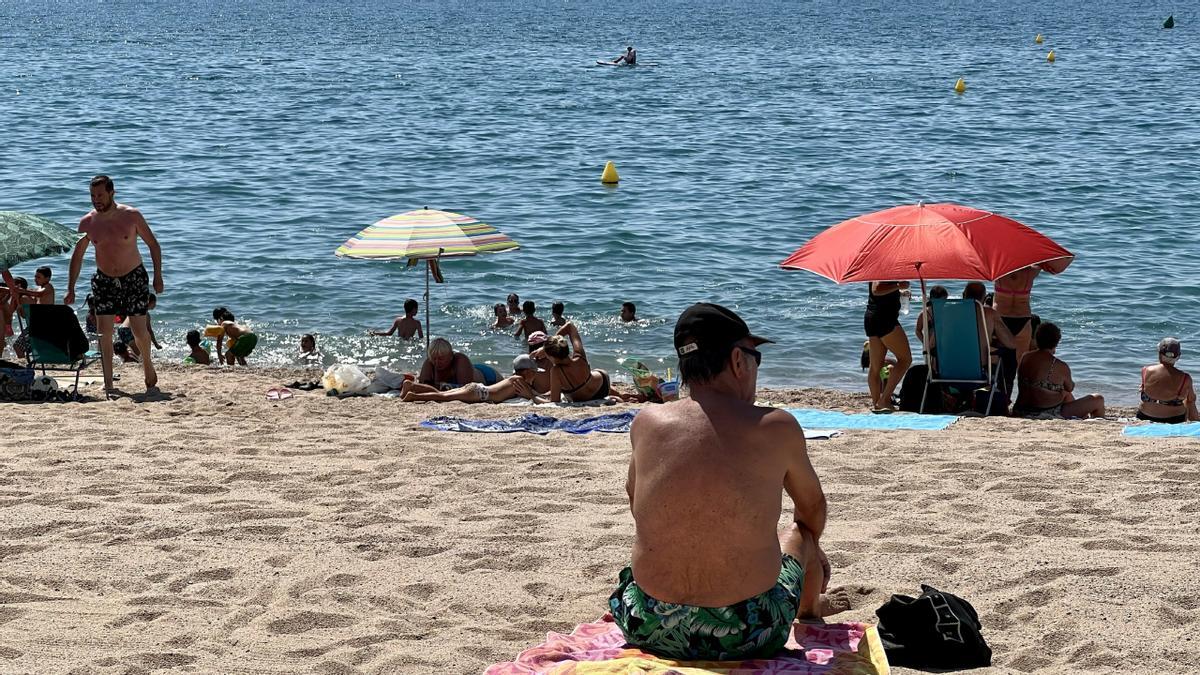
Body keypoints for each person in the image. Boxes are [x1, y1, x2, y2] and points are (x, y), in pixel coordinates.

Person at [609, 303, 848, 662]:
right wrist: (811, 547)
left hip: (647, 622)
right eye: (756, 358)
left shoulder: (647, 422)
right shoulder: (775, 426)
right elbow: (812, 508)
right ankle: (810, 611)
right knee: (799, 534)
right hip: (747, 632)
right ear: (738, 360)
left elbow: (636, 504)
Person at [64, 175, 164, 395]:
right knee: (104, 333)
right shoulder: (87, 223)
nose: (96, 200)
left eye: (100, 195)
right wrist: (70, 287)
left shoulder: (132, 216)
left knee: (139, 330)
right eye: (92, 196)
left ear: (111, 192)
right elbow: (77, 256)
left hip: (134, 277)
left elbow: (153, 245)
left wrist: (158, 276)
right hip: (104, 279)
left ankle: (147, 363)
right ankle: (108, 382)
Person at [1013, 322, 1105, 418]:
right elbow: (1070, 387)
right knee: (1098, 399)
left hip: (1021, 409)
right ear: (1056, 342)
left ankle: (1083, 417)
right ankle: (1093, 420)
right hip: (1046, 412)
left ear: (1037, 338)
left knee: (1065, 394)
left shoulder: (1025, 357)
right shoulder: (1059, 365)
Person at [400, 354, 547, 404]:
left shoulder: (513, 379)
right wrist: (532, 397)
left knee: (443, 394)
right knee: (443, 397)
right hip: (478, 393)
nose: (535, 375)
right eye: (534, 372)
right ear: (527, 372)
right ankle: (413, 396)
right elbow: (534, 396)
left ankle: (412, 386)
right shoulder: (519, 381)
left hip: (477, 388)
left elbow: (534, 394)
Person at [863, 281, 912, 412]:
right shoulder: (883, 267)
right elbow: (876, 289)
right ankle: (884, 399)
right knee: (905, 360)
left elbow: (880, 293)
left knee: (875, 367)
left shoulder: (877, 265)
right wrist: (898, 286)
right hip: (885, 319)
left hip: (872, 317)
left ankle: (877, 404)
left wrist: (899, 293)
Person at [545, 322, 613, 402]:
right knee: (589, 375)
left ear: (552, 357)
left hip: (585, 397)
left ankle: (617, 394)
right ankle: (618, 394)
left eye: (547, 356)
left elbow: (555, 401)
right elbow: (570, 326)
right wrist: (554, 342)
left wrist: (533, 397)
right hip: (603, 387)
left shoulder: (556, 371)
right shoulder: (579, 355)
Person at [1137, 338, 1199, 423]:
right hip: (1173, 419)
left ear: (1159, 353)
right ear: (1178, 356)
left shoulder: (1145, 371)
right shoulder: (1185, 378)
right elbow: (1191, 401)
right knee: (1188, 399)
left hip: (1144, 416)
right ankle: (1196, 422)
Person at [994, 266, 1041, 363]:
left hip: (1001, 318)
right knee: (1021, 360)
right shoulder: (1031, 272)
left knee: (995, 358)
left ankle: (996, 377)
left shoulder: (997, 270)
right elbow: (1054, 265)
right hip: (1022, 318)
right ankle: (1020, 378)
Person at [120, 294, 162, 360]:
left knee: (134, 350)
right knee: (138, 352)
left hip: (121, 329)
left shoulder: (137, 309)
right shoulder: (145, 314)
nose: (155, 305)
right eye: (154, 303)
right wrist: (156, 344)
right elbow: (150, 331)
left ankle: (126, 357)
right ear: (150, 303)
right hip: (128, 330)